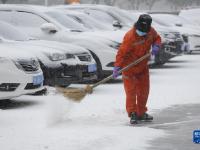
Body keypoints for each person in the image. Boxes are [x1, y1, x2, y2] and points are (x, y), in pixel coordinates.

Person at [113, 14, 161, 124]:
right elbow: (121, 53)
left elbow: (157, 38)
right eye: (141, 30)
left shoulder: (150, 32)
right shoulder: (130, 36)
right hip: (129, 68)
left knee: (144, 91)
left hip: (142, 67)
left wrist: (156, 45)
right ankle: (133, 114)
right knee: (131, 92)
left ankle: (141, 113)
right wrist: (117, 66)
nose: (143, 32)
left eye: (145, 30)